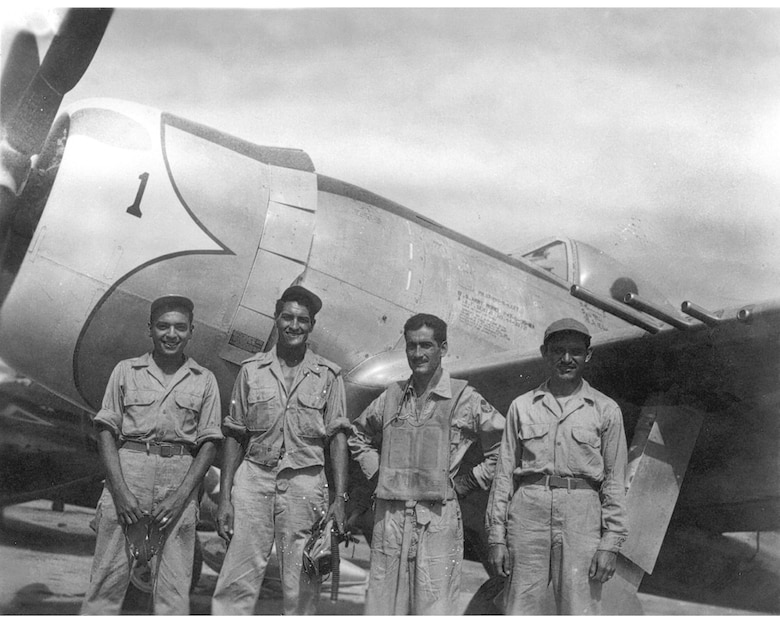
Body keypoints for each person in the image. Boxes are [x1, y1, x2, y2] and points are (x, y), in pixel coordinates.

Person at [349, 313, 505, 615]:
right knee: (382, 607)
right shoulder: (391, 396)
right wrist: (379, 471)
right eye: (412, 346)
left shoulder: (464, 398)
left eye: (426, 346)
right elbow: (357, 434)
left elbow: (505, 447)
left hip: (437, 519)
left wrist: (470, 481)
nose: (418, 353)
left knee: (433, 608)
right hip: (390, 518)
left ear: (443, 348)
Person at [211, 285, 350, 615]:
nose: (294, 325)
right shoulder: (251, 370)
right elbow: (234, 434)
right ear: (276, 319)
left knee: (301, 583)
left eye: (302, 320)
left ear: (312, 325)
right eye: (287, 317)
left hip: (305, 484)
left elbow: (338, 439)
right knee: (236, 579)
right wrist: (225, 496)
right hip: (254, 479)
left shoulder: (329, 376)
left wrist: (340, 500)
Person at [81, 295, 222, 615]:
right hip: (129, 473)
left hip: (179, 480)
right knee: (105, 587)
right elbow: (106, 430)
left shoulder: (205, 380)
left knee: (174, 595)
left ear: (191, 331)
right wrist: (120, 493)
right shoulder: (125, 371)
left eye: (180, 327)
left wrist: (181, 498)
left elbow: (209, 443)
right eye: (163, 326)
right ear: (150, 329)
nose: (171, 334)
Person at [486, 318, 629, 615]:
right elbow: (503, 476)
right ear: (544, 353)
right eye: (558, 350)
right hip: (528, 514)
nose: (566, 358)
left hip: (582, 516)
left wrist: (610, 543)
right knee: (520, 607)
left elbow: (615, 481)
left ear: (588, 355)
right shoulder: (522, 406)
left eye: (575, 351)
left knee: (580, 609)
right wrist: (496, 536)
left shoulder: (606, 410)